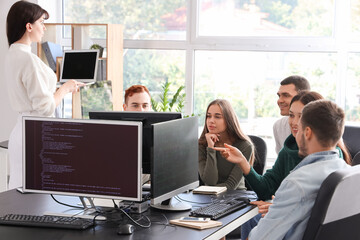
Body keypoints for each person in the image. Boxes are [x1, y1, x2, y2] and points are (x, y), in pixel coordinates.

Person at [214, 91, 351, 239]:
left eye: (300, 123)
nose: (293, 125)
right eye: (291, 116)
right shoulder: (347, 172)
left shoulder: (297, 183)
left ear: (308, 132)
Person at [5, 1, 84, 189]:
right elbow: (46, 108)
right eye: (41, 22)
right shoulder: (28, 60)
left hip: (22, 131)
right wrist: (64, 89)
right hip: (35, 134)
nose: (44, 27)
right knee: (35, 197)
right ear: (29, 26)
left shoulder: (13, 54)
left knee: (20, 195)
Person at [198, 99, 255, 190]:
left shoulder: (245, 146)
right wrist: (211, 148)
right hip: (209, 197)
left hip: (235, 197)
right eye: (208, 116)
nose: (211, 121)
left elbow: (231, 185)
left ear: (228, 119)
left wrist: (205, 190)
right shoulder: (201, 144)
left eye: (217, 117)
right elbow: (210, 181)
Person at [273, 75, 310, 154]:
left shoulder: (319, 127)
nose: (279, 100)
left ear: (302, 96)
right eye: (279, 96)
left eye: (286, 95)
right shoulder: (278, 126)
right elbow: (281, 164)